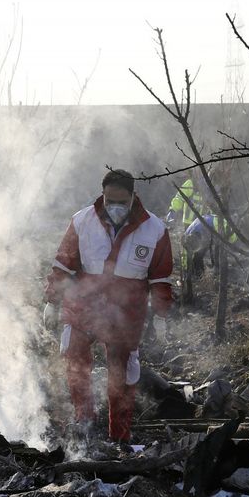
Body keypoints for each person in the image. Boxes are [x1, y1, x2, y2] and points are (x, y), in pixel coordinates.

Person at [44, 168, 174, 444]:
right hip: (83, 306)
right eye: (108, 200)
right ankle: (85, 424)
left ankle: (120, 438)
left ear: (133, 198)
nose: (114, 207)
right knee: (76, 362)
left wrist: (161, 315)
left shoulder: (155, 230)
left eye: (121, 202)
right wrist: (52, 301)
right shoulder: (82, 221)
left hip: (126, 314)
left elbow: (161, 278)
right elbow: (64, 263)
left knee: (123, 375)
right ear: (102, 196)